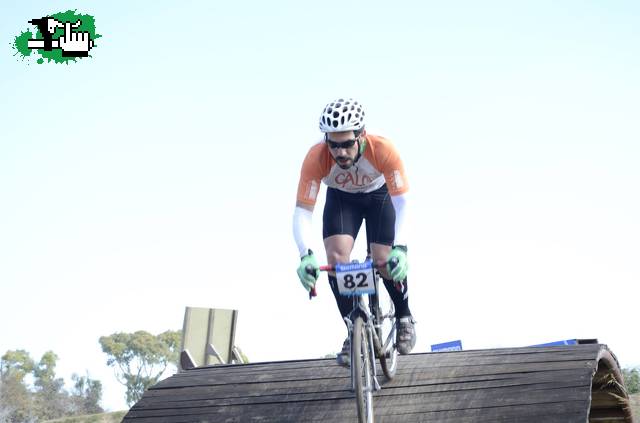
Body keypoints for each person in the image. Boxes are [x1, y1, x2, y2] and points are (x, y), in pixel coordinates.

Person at [293, 98, 416, 366]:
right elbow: (302, 211)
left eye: (347, 143)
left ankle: (404, 316)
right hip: (342, 200)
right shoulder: (316, 158)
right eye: (333, 144)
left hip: (379, 197)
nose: (340, 152)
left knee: (384, 259)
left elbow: (403, 202)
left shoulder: (382, 149)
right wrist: (305, 255)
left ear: (361, 135)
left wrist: (401, 248)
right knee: (337, 261)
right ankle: (353, 327)